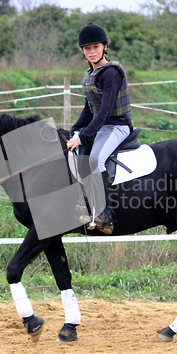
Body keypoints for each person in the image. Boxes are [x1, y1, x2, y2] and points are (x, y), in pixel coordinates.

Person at [66, 23, 134, 234]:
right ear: (82, 51)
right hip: (101, 125)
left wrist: (83, 136)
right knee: (76, 152)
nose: (92, 52)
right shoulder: (90, 74)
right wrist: (74, 131)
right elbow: (89, 109)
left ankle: (105, 214)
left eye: (95, 47)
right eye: (87, 48)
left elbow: (104, 112)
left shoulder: (110, 73)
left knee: (95, 161)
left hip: (117, 125)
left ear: (105, 46)